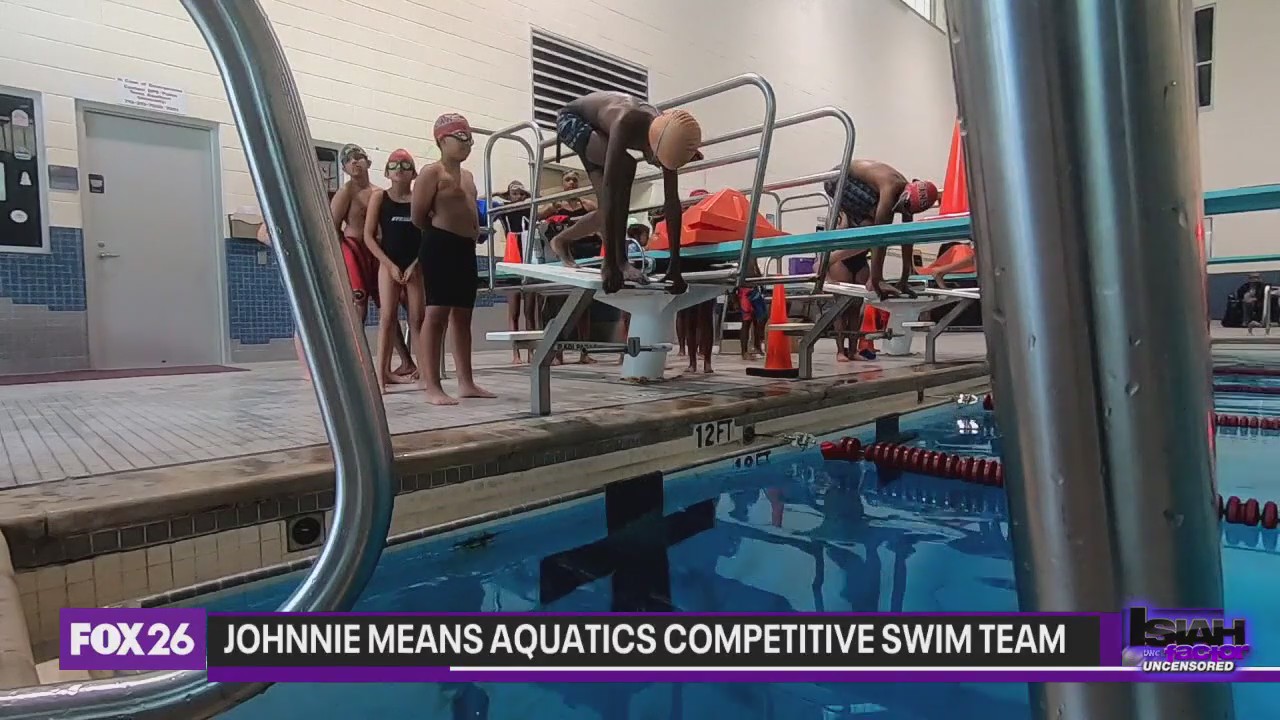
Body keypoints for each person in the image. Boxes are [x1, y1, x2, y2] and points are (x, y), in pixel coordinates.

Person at [549, 91, 703, 294]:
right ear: (651, 146)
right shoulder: (626, 122)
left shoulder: (669, 132)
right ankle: (618, 260)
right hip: (573, 119)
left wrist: (675, 266)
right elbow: (610, 189)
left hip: (601, 125)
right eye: (659, 161)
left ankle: (560, 241)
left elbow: (672, 202)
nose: (660, 166)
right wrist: (612, 264)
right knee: (626, 167)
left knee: (607, 207)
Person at [411, 113, 496, 405]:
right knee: (436, 315)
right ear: (440, 140)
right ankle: (432, 386)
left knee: (463, 317)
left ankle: (466, 382)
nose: (466, 143)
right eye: (460, 137)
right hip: (439, 245)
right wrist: (442, 232)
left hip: (465, 248)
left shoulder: (469, 177)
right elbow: (418, 216)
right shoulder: (431, 173)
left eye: (469, 138)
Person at [331, 143, 416, 375]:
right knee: (359, 301)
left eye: (358, 157)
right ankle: (355, 362)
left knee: (388, 306)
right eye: (348, 160)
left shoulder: (379, 193)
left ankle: (406, 361)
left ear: (369, 163)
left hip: (378, 252)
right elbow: (333, 228)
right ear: (345, 168)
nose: (354, 161)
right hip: (354, 248)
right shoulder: (346, 192)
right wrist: (342, 260)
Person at [823, 160, 938, 298]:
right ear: (904, 195)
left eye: (906, 210)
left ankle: (831, 259)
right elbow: (879, 236)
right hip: (837, 178)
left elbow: (907, 239)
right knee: (872, 226)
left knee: (871, 225)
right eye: (901, 207)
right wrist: (877, 279)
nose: (901, 211)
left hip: (856, 181)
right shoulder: (890, 188)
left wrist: (905, 278)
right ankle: (827, 261)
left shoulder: (908, 196)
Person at [363, 149, 426, 391]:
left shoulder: (418, 200)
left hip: (414, 266)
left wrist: (414, 264)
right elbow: (368, 237)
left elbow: (426, 236)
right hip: (388, 264)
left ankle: (425, 374)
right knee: (387, 318)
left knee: (417, 319)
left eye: (405, 165)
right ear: (387, 172)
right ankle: (381, 376)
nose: (399, 168)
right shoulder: (379, 198)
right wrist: (388, 265)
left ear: (414, 173)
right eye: (394, 165)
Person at [255, 222, 311, 381]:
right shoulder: (280, 212)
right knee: (301, 319)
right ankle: (307, 370)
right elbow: (261, 234)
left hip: (304, 266)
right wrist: (283, 244)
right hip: (293, 269)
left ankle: (312, 367)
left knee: (307, 319)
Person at [493, 180, 538, 363]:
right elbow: (483, 200)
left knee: (530, 311)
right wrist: (501, 192)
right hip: (512, 259)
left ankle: (531, 352)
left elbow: (541, 202)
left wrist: (527, 195)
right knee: (514, 312)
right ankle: (516, 354)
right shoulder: (504, 210)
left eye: (521, 193)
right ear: (509, 196)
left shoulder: (530, 208)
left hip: (528, 260)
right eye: (514, 193)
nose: (518, 196)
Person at [737, 260, 767, 361]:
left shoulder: (752, 252)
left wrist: (761, 283)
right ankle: (744, 351)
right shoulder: (741, 252)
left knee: (761, 318)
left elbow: (755, 267)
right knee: (747, 321)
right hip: (744, 290)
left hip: (754, 288)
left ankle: (757, 346)